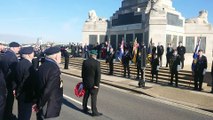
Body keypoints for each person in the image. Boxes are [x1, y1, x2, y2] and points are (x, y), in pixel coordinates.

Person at [34, 46, 63, 120]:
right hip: (49, 106)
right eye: (60, 55)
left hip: (42, 102)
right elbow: (48, 90)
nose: (61, 57)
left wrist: (37, 103)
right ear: (56, 56)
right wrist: (40, 105)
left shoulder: (42, 66)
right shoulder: (54, 69)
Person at [15, 47, 37, 120]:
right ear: (28, 55)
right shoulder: (29, 66)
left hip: (21, 94)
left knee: (21, 114)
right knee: (25, 116)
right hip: (26, 95)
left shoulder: (19, 63)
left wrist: (17, 91)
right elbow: (28, 83)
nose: (33, 54)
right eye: (32, 52)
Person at [1, 42, 20, 119]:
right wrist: (14, 87)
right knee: (9, 101)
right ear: (13, 47)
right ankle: (8, 115)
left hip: (3, 81)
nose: (19, 49)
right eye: (18, 47)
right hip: (8, 84)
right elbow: (13, 74)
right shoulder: (12, 57)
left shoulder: (5, 54)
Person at [82, 50, 102, 117]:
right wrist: (96, 84)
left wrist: (83, 82)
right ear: (95, 55)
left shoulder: (85, 62)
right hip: (93, 84)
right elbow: (98, 75)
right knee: (93, 98)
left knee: (86, 96)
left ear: (90, 55)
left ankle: (84, 108)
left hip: (86, 82)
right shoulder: (97, 63)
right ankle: (94, 112)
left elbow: (83, 74)